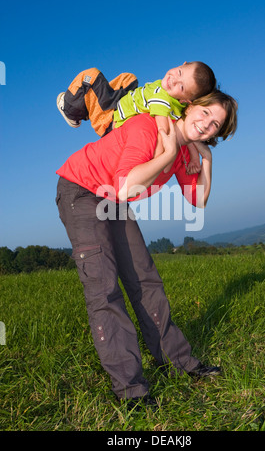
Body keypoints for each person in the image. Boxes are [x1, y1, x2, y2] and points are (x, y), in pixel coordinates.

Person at [55, 89, 238, 409]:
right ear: (191, 105)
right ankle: (131, 390)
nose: (207, 124)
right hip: (83, 190)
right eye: (206, 113)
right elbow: (127, 185)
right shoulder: (151, 127)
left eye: (216, 125)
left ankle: (180, 362)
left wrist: (206, 159)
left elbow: (198, 199)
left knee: (145, 279)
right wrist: (166, 155)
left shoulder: (187, 151)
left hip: (113, 198)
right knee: (105, 290)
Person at [56, 61, 216, 174]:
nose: (173, 80)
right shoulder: (180, 105)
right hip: (121, 105)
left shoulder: (161, 97)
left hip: (110, 120)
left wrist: (163, 159)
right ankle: (90, 104)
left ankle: (72, 111)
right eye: (179, 72)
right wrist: (195, 158)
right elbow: (188, 133)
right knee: (129, 79)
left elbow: (163, 130)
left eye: (181, 86)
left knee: (90, 75)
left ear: (186, 99)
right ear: (182, 63)